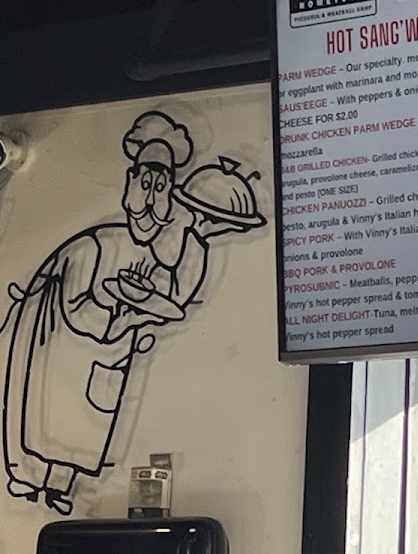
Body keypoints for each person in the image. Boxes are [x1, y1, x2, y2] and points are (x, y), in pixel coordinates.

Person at [1, 112, 260, 515]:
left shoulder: (162, 251)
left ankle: (62, 486)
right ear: (130, 181)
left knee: (87, 428)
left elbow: (173, 295)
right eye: (146, 183)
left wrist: (199, 235)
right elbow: (78, 311)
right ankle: (29, 477)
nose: (152, 196)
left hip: (107, 356)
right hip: (61, 347)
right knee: (39, 417)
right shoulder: (98, 244)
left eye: (161, 186)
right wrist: (118, 314)